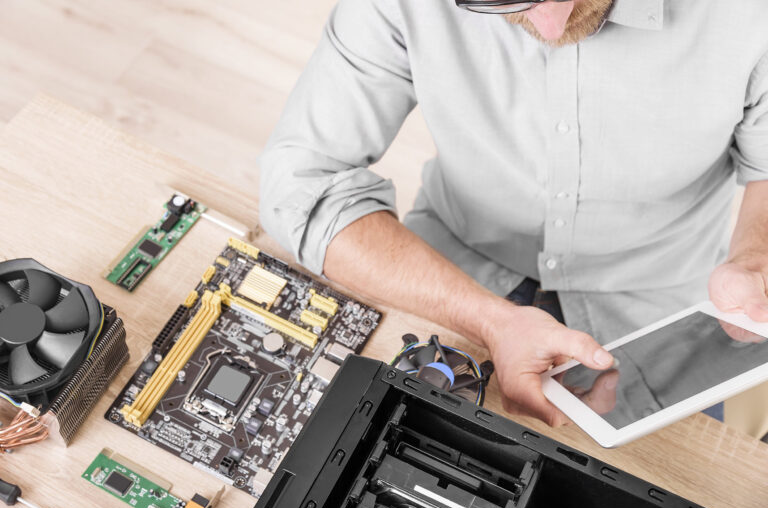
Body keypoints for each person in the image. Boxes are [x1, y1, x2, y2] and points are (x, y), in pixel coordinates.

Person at [259, 0, 768, 427]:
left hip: (663, 308)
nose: (552, 26)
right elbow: (305, 183)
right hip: (449, 270)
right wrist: (489, 319)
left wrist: (754, 259)